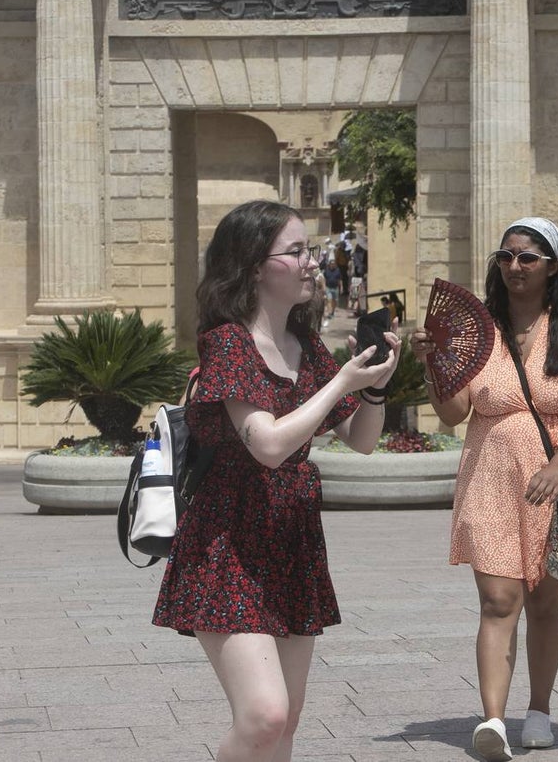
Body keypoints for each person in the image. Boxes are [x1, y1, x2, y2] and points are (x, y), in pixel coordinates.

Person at [152, 200, 401, 762]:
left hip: (292, 542)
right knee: (264, 716)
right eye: (296, 251)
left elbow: (361, 439)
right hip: (228, 544)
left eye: (309, 250)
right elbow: (266, 445)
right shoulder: (228, 344)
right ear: (254, 267)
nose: (312, 262)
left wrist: (375, 388)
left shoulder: (306, 345)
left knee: (285, 724)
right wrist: (341, 383)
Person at [409, 217, 558, 761]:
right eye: (506, 256)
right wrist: (432, 363)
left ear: (553, 268)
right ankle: (494, 720)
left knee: (544, 602)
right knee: (498, 600)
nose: (514, 266)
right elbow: (453, 413)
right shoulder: (478, 334)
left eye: (527, 257)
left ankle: (538, 710)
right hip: (491, 477)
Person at [321, 258, 343, 326]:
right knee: (329, 300)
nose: (332, 265)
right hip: (328, 288)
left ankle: (332, 311)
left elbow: (340, 279)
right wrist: (324, 287)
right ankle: (330, 313)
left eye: (333, 264)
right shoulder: (326, 271)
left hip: (335, 288)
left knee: (335, 301)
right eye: (331, 264)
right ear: (329, 264)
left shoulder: (337, 271)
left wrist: (341, 287)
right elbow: (323, 279)